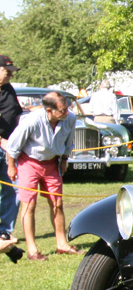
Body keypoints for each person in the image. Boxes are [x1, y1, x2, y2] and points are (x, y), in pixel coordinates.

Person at [5, 92, 81, 260]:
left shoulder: (70, 118)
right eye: (62, 110)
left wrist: (64, 160)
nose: (66, 113)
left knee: (57, 203)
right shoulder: (32, 120)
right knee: (29, 205)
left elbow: (69, 141)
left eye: (67, 108)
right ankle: (33, 250)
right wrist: (11, 166)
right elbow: (13, 145)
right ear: (49, 110)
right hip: (29, 162)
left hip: (52, 163)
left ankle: (62, 244)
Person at [0, 55, 22, 247]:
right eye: (7, 72)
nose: (10, 75)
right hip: (2, 144)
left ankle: (5, 231)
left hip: (10, 148)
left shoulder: (8, 89)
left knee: (13, 188)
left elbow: (17, 113)